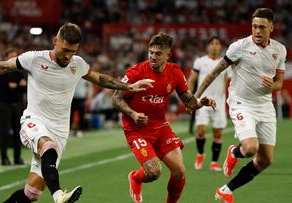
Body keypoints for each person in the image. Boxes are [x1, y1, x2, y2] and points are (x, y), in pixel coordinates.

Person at [0, 23, 154, 203]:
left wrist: (129, 87)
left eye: (72, 51)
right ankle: (58, 196)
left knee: (31, 193)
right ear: (55, 41)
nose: (68, 56)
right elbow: (1, 67)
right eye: (65, 49)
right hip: (34, 122)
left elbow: (101, 79)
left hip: (60, 131)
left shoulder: (78, 64)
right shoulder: (34, 59)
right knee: (47, 145)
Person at [194, 8, 286, 203]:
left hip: (265, 106)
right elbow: (214, 72)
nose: (257, 31)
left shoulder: (279, 50)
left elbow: (279, 82)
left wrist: (274, 85)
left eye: (262, 27)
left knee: (265, 160)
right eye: (254, 26)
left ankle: (226, 190)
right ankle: (236, 152)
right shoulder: (239, 47)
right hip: (241, 103)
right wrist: (196, 96)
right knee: (251, 148)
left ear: (271, 27)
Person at [112, 32, 216, 203]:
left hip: (161, 127)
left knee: (179, 171)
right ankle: (136, 178)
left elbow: (188, 102)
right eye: (151, 52)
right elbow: (116, 98)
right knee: (154, 172)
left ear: (169, 54)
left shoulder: (174, 72)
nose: (153, 56)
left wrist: (200, 102)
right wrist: (133, 114)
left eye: (158, 53)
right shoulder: (136, 72)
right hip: (137, 129)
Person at [187, 36, 229, 172]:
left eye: (217, 43)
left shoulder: (226, 63)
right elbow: (192, 80)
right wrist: (189, 98)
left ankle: (214, 162)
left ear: (220, 47)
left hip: (219, 102)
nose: (215, 46)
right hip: (202, 101)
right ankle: (200, 154)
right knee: (201, 131)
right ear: (207, 46)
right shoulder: (200, 61)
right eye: (212, 43)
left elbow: (228, 83)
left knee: (217, 133)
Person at [0, 48, 26, 166]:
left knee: (18, 132)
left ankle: (17, 158)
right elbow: (4, 89)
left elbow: (24, 87)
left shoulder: (20, 71)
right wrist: (18, 86)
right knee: (4, 132)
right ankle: (4, 158)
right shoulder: (1, 71)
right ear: (6, 58)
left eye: (15, 57)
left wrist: (15, 86)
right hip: (5, 105)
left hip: (18, 105)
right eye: (11, 56)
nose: (13, 59)